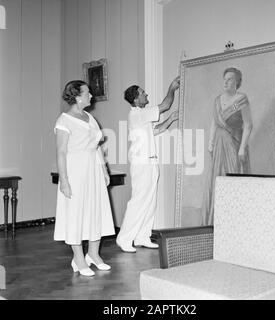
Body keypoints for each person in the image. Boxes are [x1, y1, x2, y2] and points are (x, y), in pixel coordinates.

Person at [54, 80, 115, 276]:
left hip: (94, 171)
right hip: (75, 171)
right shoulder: (64, 120)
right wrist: (64, 180)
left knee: (95, 211)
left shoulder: (89, 117)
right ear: (77, 96)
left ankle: (94, 255)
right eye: (88, 93)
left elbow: (95, 146)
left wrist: (104, 170)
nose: (91, 96)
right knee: (76, 213)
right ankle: (78, 260)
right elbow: (61, 152)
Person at [116, 77, 180, 252]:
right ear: (136, 99)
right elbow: (165, 105)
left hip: (150, 161)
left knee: (150, 201)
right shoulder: (137, 114)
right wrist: (172, 87)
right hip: (142, 163)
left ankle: (142, 237)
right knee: (139, 201)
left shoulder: (141, 117)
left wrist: (171, 120)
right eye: (143, 93)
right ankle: (124, 238)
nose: (146, 94)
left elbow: (156, 131)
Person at [200, 67, 253, 226]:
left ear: (237, 82)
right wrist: (210, 142)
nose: (226, 81)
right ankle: (215, 219)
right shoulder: (217, 100)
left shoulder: (241, 99)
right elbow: (214, 122)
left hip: (234, 144)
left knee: (232, 178)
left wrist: (242, 147)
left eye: (230, 79)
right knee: (217, 178)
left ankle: (233, 220)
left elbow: (249, 125)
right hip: (219, 144)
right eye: (225, 78)